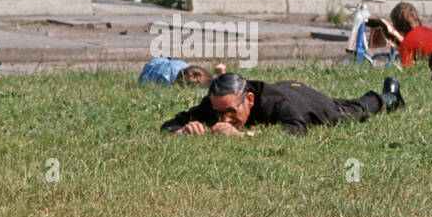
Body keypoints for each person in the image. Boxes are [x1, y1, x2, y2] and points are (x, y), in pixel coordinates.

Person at [162, 72, 405, 137]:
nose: (224, 119)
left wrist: (245, 136)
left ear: (249, 100)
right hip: (285, 87)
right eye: (218, 113)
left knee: (345, 112)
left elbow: (297, 128)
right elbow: (169, 124)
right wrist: (181, 131)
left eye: (231, 112)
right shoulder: (217, 103)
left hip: (300, 98)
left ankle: (389, 98)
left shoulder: (273, 103)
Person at [137, 57, 213, 86]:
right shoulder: (183, 66)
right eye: (196, 74)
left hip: (154, 65)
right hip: (159, 62)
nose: (193, 76)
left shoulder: (165, 78)